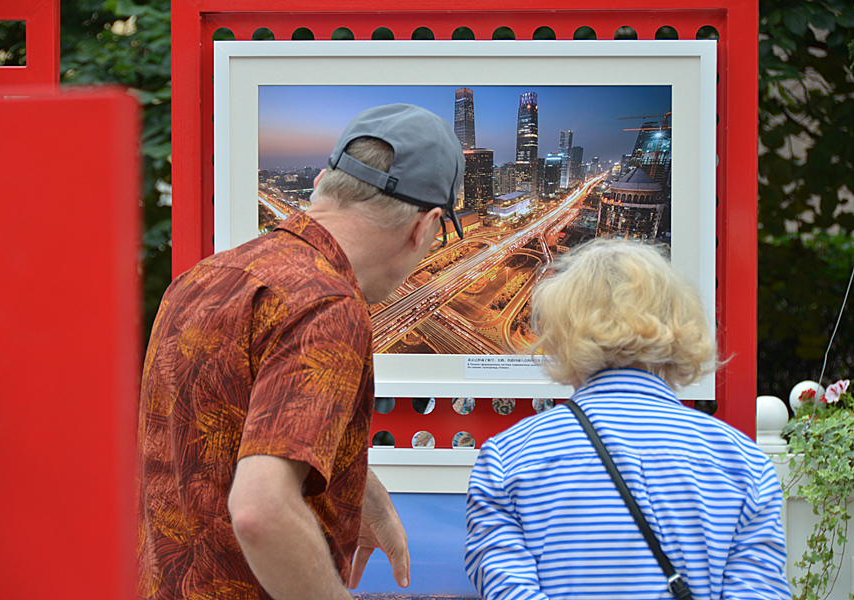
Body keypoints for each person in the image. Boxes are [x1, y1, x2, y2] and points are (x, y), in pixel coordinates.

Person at [137, 103, 465, 600]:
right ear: (426, 226)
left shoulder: (204, 277)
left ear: (321, 184)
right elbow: (260, 509)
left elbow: (232, 432)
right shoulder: (327, 306)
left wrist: (361, 490)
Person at [464, 238, 791, 600]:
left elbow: (508, 590)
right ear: (682, 323)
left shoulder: (508, 457)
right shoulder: (742, 462)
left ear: (560, 330)